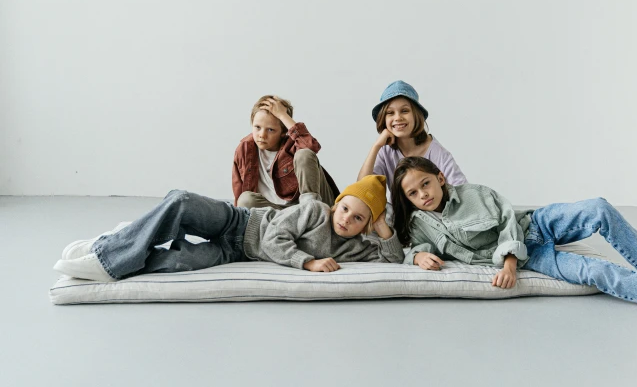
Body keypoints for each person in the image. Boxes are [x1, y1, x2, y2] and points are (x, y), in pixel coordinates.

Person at [390, 156, 637, 324]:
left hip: (534, 225)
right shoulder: (423, 225)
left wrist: (509, 262)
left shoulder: (472, 192)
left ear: (440, 177)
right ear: (407, 200)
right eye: (412, 193)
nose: (422, 194)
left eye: (425, 183)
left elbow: (505, 219)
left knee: (597, 207)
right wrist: (418, 257)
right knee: (596, 272)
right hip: (537, 257)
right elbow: (412, 249)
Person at [53, 175, 403, 282]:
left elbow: (392, 259)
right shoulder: (314, 211)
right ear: (336, 203)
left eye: (358, 218)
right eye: (344, 208)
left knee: (177, 261)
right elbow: (273, 238)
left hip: (235, 252)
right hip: (240, 222)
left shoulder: (356, 245)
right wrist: (307, 262)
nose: (345, 219)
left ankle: (119, 240)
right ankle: (109, 258)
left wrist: (383, 225)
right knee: (182, 201)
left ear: (365, 225)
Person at [357, 80, 467, 195]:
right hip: (401, 213)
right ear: (383, 119)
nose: (398, 117)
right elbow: (360, 192)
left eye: (404, 111)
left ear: (416, 115)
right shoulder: (385, 151)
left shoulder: (438, 153)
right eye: (390, 113)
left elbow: (464, 194)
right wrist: (376, 146)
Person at [233, 95, 339, 208]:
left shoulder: (293, 144)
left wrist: (283, 115)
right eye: (257, 127)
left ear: (283, 132)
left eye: (270, 130)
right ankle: (293, 220)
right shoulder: (244, 149)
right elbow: (238, 188)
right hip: (283, 211)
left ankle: (311, 212)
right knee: (245, 200)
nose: (262, 135)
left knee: (304, 154)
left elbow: (310, 146)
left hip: (311, 205)